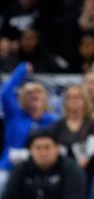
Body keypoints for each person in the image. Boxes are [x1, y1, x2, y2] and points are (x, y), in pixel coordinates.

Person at [0, 62, 58, 194]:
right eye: (28, 93)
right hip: (9, 168)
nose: (33, 94)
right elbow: (5, 93)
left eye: (37, 92)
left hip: (42, 170)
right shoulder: (14, 115)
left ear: (45, 97)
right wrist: (22, 69)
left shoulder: (53, 120)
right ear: (22, 98)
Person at [1, 129, 86, 199]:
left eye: (47, 147)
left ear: (57, 148)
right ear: (31, 150)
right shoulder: (20, 170)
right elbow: (9, 196)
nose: (43, 153)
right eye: (38, 148)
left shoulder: (71, 170)